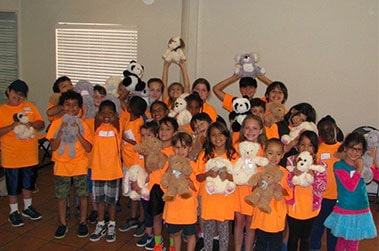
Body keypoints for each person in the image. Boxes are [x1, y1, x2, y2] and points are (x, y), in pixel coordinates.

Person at [46, 90, 92, 239]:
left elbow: (88, 148)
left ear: (80, 107)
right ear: (62, 106)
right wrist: (60, 131)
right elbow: (53, 147)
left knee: (83, 195)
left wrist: (78, 132)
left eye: (75, 105)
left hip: (79, 164)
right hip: (61, 165)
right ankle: (62, 223)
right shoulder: (56, 123)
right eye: (67, 105)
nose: (71, 108)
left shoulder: (83, 124)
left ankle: (83, 222)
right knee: (61, 196)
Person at [0, 79, 45, 227]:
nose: (18, 97)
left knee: (28, 183)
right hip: (12, 156)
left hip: (30, 155)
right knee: (13, 185)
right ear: (8, 91)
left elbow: (41, 124)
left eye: (21, 95)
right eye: (15, 94)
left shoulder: (29, 107)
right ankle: (13, 211)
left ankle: (27, 207)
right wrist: (12, 126)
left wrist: (31, 124)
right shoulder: (2, 110)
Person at [324, 132, 377, 251]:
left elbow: (375, 175)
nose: (355, 152)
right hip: (345, 210)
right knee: (342, 242)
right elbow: (350, 186)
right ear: (345, 148)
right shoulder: (339, 166)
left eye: (359, 150)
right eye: (352, 148)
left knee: (353, 244)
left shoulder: (363, 165)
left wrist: (374, 159)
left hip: (361, 209)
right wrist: (359, 169)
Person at [195, 121, 238, 251]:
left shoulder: (233, 154)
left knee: (224, 229)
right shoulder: (205, 154)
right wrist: (208, 174)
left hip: (226, 199)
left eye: (220, 134)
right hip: (208, 198)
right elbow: (198, 176)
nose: (217, 138)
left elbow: (239, 177)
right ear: (209, 138)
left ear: (226, 136)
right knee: (208, 229)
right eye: (213, 135)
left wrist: (228, 177)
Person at [285, 130, 327, 251]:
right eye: (302, 144)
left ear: (315, 147)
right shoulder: (291, 161)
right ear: (297, 145)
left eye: (310, 145)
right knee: (293, 237)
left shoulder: (319, 165)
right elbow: (286, 184)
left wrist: (314, 177)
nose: (306, 148)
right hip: (294, 207)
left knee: (306, 237)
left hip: (311, 208)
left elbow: (323, 186)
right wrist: (292, 175)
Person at [88, 100, 123, 243]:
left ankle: (112, 225)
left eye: (110, 113)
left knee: (112, 202)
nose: (106, 116)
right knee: (100, 200)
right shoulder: (96, 127)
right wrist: (99, 117)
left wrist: (113, 117)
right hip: (98, 171)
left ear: (115, 114)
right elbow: (96, 122)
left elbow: (116, 122)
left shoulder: (116, 129)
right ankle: (101, 223)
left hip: (113, 172)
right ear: (98, 114)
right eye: (103, 113)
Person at [251, 138, 292, 251]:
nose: (274, 157)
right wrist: (257, 185)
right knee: (261, 244)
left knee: (276, 245)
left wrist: (281, 189)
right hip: (262, 216)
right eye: (270, 153)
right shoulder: (260, 170)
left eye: (278, 154)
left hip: (277, 216)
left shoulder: (284, 172)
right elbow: (253, 190)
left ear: (282, 155)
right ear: (264, 153)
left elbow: (289, 193)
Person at [234, 114, 266, 251]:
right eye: (247, 128)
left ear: (261, 131)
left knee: (251, 223)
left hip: (254, 191)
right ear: (242, 130)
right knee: (239, 222)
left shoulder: (263, 148)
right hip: (239, 189)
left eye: (254, 128)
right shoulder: (236, 146)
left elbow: (265, 168)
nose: (250, 131)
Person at [310, 115, 341, 251]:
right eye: (322, 131)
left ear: (337, 129)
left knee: (334, 228)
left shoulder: (343, 149)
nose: (327, 133)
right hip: (321, 197)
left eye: (330, 129)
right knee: (317, 226)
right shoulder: (317, 150)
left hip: (339, 198)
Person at [163, 132, 199, 251]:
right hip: (173, 207)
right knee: (175, 234)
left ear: (190, 148)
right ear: (173, 148)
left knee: (190, 234)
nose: (181, 151)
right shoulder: (170, 165)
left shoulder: (193, 165)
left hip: (188, 207)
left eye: (184, 147)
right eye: (177, 147)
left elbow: (196, 188)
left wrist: (187, 178)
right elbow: (164, 184)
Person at [119, 96, 148, 234]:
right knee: (132, 193)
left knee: (140, 193)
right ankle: (133, 218)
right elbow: (122, 103)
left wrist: (127, 140)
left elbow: (140, 145)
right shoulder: (128, 118)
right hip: (127, 162)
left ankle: (142, 220)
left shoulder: (139, 123)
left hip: (137, 165)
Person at [149, 117, 178, 250]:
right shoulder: (154, 147)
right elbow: (148, 168)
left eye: (168, 129)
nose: (164, 132)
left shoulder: (176, 150)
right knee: (157, 216)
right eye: (161, 129)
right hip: (155, 187)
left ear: (175, 132)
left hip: (170, 189)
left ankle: (172, 244)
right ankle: (157, 243)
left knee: (171, 219)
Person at [135, 120, 160, 249]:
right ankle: (148, 233)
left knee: (153, 213)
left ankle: (155, 237)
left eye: (148, 135)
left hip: (153, 187)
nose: (145, 138)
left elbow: (150, 169)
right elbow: (136, 168)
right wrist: (135, 182)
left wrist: (146, 156)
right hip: (142, 187)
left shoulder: (156, 151)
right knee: (146, 210)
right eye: (143, 135)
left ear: (156, 136)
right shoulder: (140, 149)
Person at [277, 102, 317, 167]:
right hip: (280, 164)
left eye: (302, 120)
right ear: (293, 110)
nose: (298, 120)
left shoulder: (303, 132)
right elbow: (275, 149)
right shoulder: (278, 126)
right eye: (298, 116)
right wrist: (292, 143)